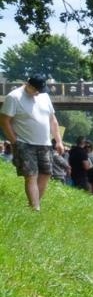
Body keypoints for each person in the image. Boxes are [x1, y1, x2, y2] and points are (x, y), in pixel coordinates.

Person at [1, 75, 64, 211]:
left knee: (46, 173)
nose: (38, 93)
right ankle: (35, 209)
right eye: (36, 90)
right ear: (28, 85)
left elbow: (52, 120)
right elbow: (4, 120)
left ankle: (34, 205)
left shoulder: (44, 96)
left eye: (40, 90)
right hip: (24, 143)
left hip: (45, 143)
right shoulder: (14, 97)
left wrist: (59, 141)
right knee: (31, 175)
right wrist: (14, 141)